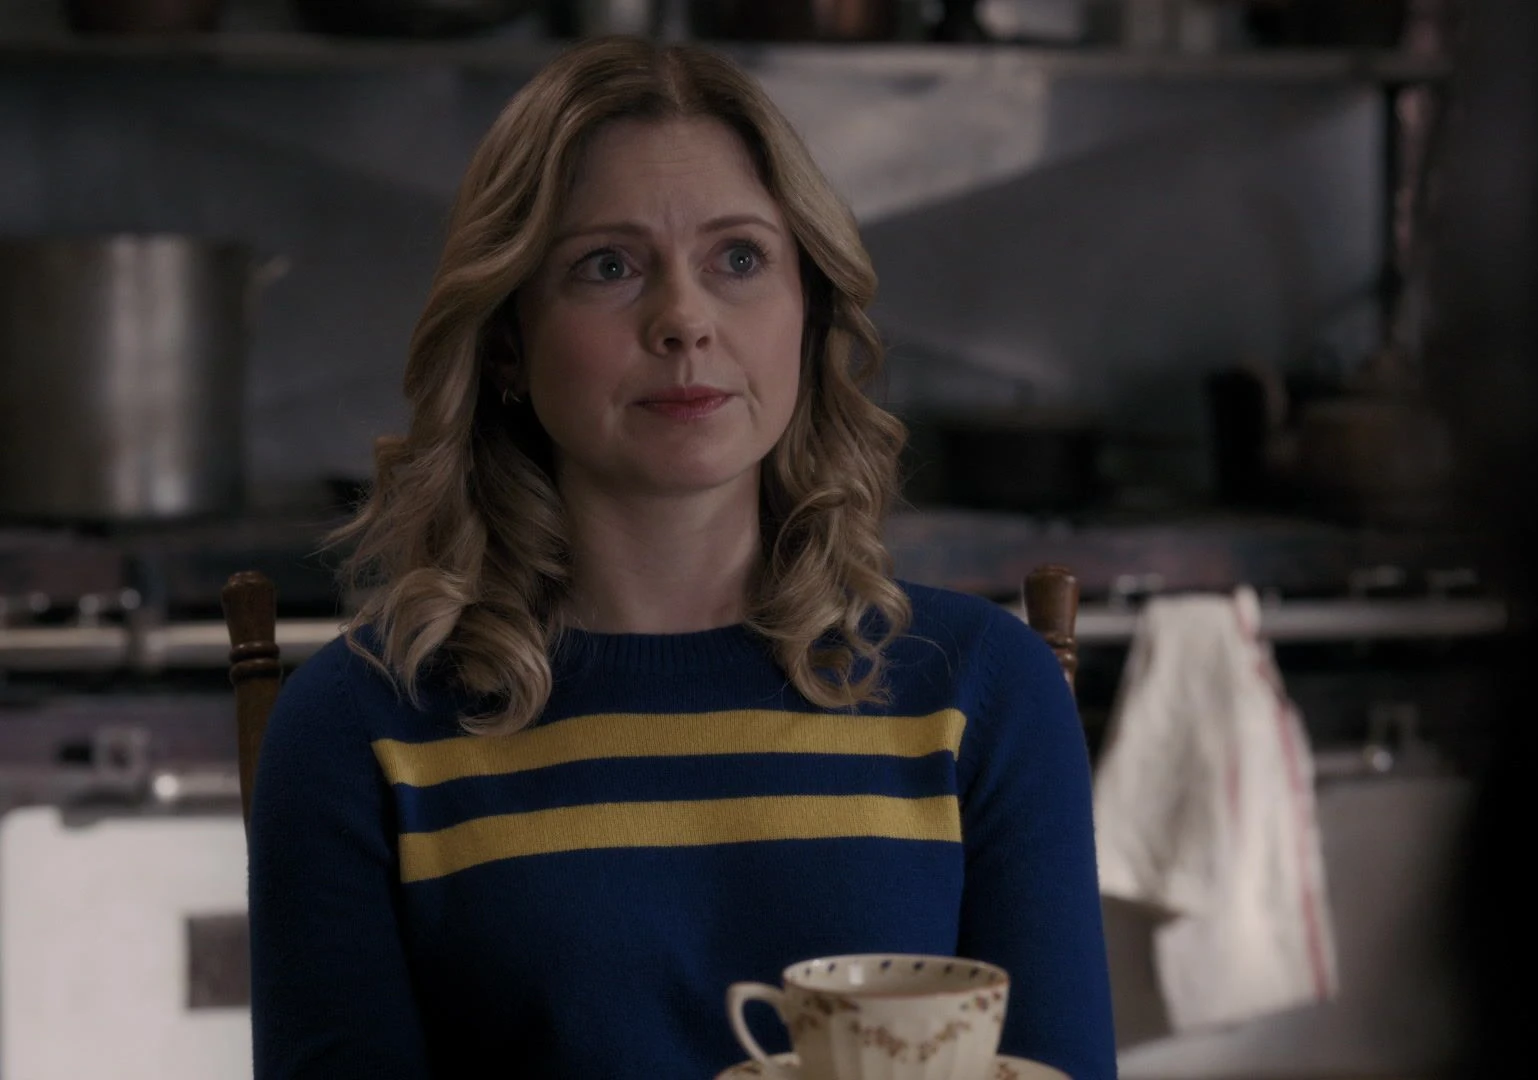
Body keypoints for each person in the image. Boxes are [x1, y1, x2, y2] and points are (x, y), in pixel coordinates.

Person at [246, 37, 1115, 1080]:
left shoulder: (980, 691)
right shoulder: (361, 725)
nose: (685, 320)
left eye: (739, 259)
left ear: (808, 312)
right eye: (608, 266)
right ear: (509, 342)